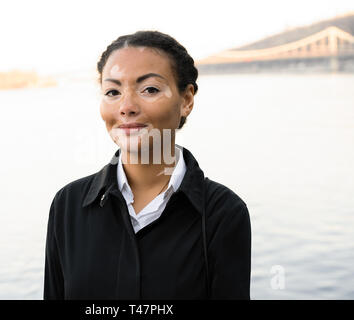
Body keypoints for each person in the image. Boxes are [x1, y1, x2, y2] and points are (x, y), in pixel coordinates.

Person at [44, 30, 251, 300]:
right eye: (112, 91)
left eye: (150, 89)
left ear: (186, 100)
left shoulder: (223, 213)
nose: (126, 106)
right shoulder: (68, 204)